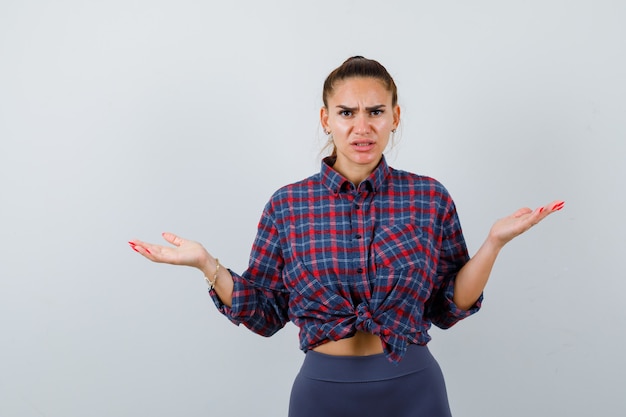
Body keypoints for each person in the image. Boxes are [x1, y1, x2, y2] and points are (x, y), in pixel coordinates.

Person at [129, 56, 564, 417]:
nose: (362, 127)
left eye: (375, 112)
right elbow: (266, 314)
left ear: (394, 117)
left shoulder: (428, 197)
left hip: (414, 390)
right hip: (322, 394)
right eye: (347, 112)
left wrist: (493, 244)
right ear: (326, 119)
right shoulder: (288, 205)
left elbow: (447, 306)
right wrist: (208, 265)